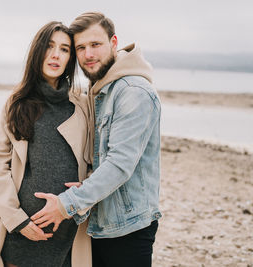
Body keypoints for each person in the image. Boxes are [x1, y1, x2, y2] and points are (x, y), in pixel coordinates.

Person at [31, 12, 162, 267]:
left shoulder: (132, 92)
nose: (88, 55)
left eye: (95, 45)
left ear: (114, 43)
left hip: (128, 229)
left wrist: (65, 204)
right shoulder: (103, 88)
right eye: (81, 47)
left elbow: (119, 165)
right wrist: (88, 180)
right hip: (101, 221)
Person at [0, 21, 92, 267]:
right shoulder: (16, 103)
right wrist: (17, 221)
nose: (56, 55)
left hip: (70, 229)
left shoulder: (82, 105)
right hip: (23, 229)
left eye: (64, 49)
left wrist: (84, 192)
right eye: (49, 46)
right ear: (37, 51)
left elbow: (96, 158)